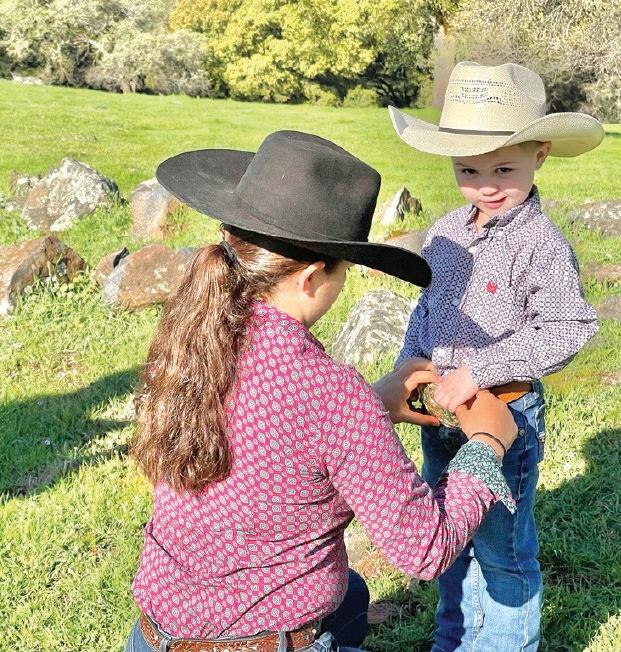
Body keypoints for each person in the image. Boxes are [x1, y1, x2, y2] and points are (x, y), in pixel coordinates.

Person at [125, 130, 522, 652]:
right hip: (263, 641)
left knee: (351, 593)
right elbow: (424, 549)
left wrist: (372, 405)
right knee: (348, 594)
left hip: (155, 633)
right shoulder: (330, 395)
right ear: (312, 277)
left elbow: (269, 431)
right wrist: (486, 446)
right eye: (345, 268)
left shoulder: (193, 342)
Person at [389, 62, 604, 651]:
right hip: (441, 417)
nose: (486, 185)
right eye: (468, 170)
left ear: (540, 155)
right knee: (451, 535)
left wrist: (478, 371)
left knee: (502, 550)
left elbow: (568, 327)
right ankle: (454, 639)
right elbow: (429, 306)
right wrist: (411, 366)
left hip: (504, 417)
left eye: (504, 169)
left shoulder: (541, 245)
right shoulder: (446, 233)